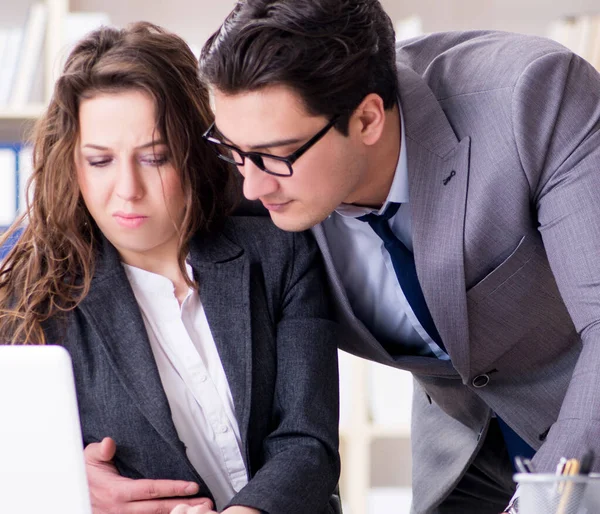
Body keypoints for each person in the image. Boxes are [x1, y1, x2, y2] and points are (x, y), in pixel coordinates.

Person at [196, 1, 600, 513]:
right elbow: (114, 235)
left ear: (366, 118)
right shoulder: (252, 154)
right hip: (460, 445)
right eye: (233, 150)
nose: (250, 185)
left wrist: (547, 503)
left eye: (275, 156)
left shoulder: (534, 97)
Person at [0, 22, 341, 514]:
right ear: (71, 163)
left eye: (155, 157)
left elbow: (308, 443)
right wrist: (66, 485)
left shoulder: (279, 254)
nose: (127, 189)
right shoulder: (33, 300)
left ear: (195, 151)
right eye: (99, 161)